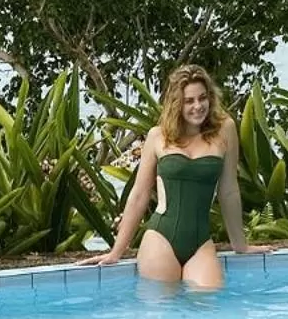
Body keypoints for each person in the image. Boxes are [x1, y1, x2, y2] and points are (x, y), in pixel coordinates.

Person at [87, 64, 267, 286]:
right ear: (177, 103)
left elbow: (228, 190)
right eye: (189, 101)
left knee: (208, 299)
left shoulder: (225, 129)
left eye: (202, 98)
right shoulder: (157, 136)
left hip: (200, 242)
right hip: (160, 238)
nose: (198, 106)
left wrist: (240, 245)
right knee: (164, 310)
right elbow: (139, 194)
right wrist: (116, 252)